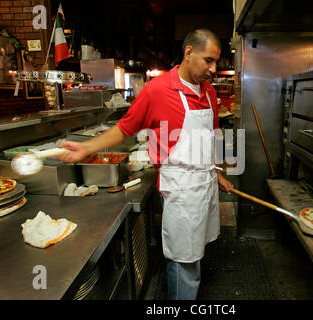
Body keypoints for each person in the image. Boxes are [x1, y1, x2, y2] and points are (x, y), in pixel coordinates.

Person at [57, 29, 233, 300]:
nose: (213, 68)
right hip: (181, 188)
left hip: (206, 183)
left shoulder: (209, 92)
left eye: (215, 62)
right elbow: (124, 129)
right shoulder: (157, 90)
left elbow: (211, 135)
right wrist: (86, 148)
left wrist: (218, 171)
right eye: (208, 60)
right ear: (189, 53)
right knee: (183, 259)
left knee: (196, 251)